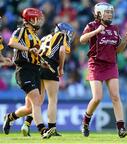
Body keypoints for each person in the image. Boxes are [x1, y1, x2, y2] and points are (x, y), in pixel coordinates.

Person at [80, 2, 127, 138]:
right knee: (97, 98)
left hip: (111, 65)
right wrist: (96, 31)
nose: (110, 14)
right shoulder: (91, 25)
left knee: (115, 96)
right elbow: (82, 40)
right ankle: (85, 122)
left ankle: (121, 128)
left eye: (110, 12)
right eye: (107, 12)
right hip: (96, 64)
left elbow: (118, 50)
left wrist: (125, 41)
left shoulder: (115, 28)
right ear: (98, 13)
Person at [3, 7, 55, 139]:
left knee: (30, 108)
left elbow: (34, 54)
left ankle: (9, 117)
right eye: (37, 19)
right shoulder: (21, 31)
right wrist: (29, 49)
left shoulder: (36, 36)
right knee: (37, 101)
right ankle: (43, 130)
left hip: (35, 70)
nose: (39, 21)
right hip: (24, 70)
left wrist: (41, 63)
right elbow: (12, 43)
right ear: (30, 19)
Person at [20, 22, 75, 137]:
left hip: (38, 65)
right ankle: (52, 128)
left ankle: (26, 123)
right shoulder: (62, 35)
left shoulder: (45, 37)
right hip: (50, 65)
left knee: (37, 101)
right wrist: (61, 67)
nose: (70, 34)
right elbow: (61, 51)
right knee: (52, 100)